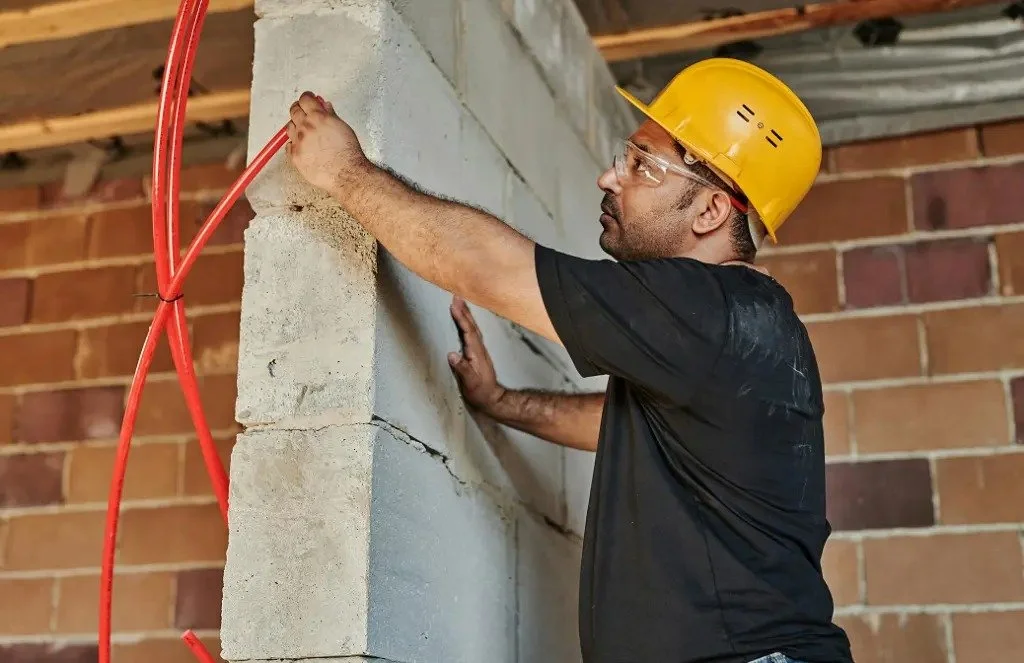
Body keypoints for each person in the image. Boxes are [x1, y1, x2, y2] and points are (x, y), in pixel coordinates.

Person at [285, 57, 854, 663]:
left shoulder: (707, 308)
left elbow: (491, 268)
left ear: (712, 211)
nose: (611, 177)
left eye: (642, 165)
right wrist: (505, 402)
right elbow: (626, 425)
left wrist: (344, 172)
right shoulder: (743, 326)